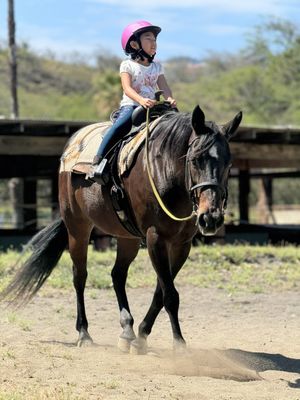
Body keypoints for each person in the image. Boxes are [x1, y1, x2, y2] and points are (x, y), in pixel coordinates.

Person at [89, 20, 176, 184]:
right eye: (148, 38)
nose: (154, 43)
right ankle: (98, 161)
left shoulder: (157, 66)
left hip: (154, 108)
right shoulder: (127, 65)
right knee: (120, 125)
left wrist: (170, 99)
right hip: (133, 105)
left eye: (155, 40)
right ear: (135, 44)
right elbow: (127, 89)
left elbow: (164, 87)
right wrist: (141, 100)